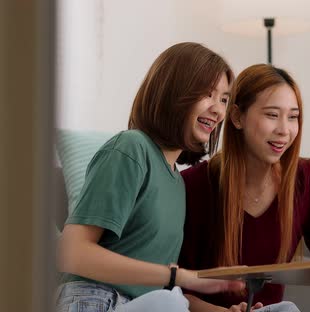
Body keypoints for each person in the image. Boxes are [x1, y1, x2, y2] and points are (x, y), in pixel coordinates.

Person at [179, 64, 310, 312]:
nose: (284, 130)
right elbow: (171, 292)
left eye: (293, 117)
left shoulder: (307, 179)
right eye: (272, 115)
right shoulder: (193, 186)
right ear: (237, 117)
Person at [55, 42, 244, 312]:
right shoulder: (131, 148)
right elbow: (70, 253)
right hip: (94, 299)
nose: (218, 110)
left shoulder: (177, 182)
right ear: (173, 92)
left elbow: (156, 289)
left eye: (224, 99)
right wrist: (176, 277)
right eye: (207, 94)